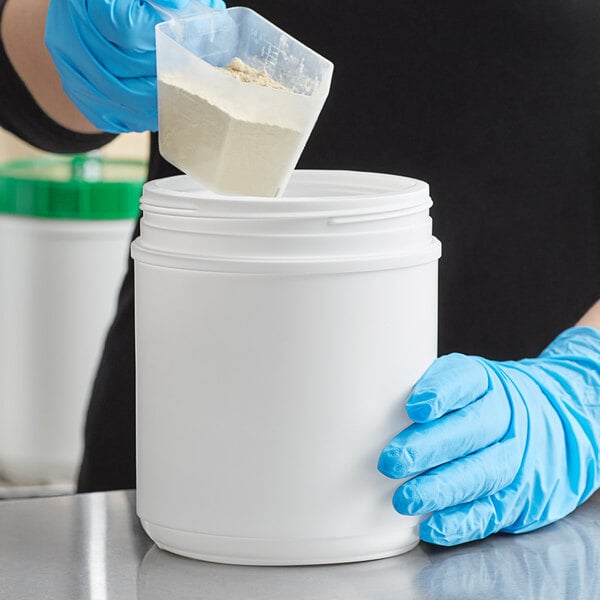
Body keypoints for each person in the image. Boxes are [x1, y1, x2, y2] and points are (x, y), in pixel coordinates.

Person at [0, 0, 598, 546]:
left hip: (528, 487)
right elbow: (28, 73)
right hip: (175, 462)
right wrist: (81, 33)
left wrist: (583, 390)